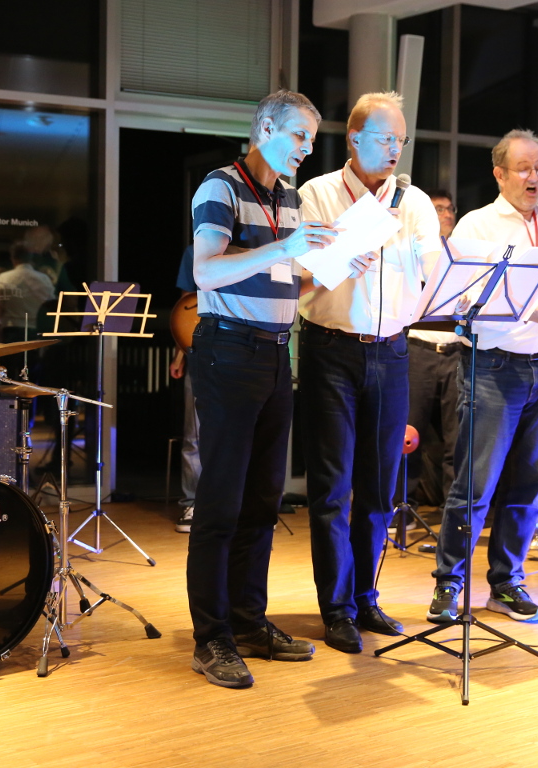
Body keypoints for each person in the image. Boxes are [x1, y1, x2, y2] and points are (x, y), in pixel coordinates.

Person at [186, 89, 344, 688]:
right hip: (229, 350)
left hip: (278, 353)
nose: (306, 148)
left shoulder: (289, 199)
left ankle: (249, 622)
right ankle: (211, 638)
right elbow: (206, 270)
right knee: (221, 503)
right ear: (265, 130)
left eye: (311, 139)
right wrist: (286, 247)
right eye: (299, 135)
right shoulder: (220, 188)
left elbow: (283, 282)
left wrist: (330, 271)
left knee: (263, 501)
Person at [298, 91, 441, 653]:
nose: (395, 149)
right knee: (332, 488)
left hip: (392, 352)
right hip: (330, 350)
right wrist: (339, 258)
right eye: (385, 138)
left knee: (379, 489)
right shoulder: (317, 193)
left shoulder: (415, 201)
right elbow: (300, 272)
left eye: (400, 139)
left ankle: (364, 597)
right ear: (354, 138)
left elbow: (433, 271)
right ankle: (335, 608)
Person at [428, 129, 538, 625]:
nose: (534, 176)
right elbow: (458, 299)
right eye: (524, 168)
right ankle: (449, 582)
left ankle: (506, 582)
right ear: (500, 174)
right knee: (475, 484)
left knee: (531, 483)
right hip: (493, 367)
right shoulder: (477, 225)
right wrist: (522, 310)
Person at [406, 190, 461, 510]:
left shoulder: (462, 252)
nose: (447, 214)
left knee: (457, 438)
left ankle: (453, 511)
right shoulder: (414, 250)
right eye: (439, 208)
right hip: (419, 348)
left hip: (457, 351)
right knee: (409, 434)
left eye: (450, 209)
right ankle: (402, 507)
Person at [170, 244, 201, 532]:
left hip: (243, 349)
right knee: (194, 434)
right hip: (199, 348)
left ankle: (239, 503)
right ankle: (192, 502)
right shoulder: (194, 251)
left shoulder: (254, 247)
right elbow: (186, 305)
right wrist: (179, 354)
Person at [0, 242, 55, 341]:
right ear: (31, 258)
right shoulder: (44, 279)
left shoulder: (4, 278)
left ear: (13, 258)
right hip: (37, 330)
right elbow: (52, 307)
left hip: (12, 330)